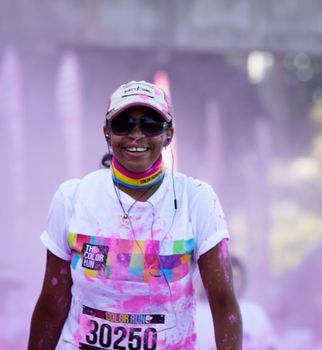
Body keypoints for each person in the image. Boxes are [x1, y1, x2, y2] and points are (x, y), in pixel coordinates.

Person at [28, 80, 242, 350]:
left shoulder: (198, 199)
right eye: (124, 123)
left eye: (150, 124)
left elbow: (224, 304)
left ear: (169, 135)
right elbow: (52, 303)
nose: (136, 134)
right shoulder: (73, 197)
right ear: (107, 132)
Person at [196, 256, 277, 349]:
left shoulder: (255, 313)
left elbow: (269, 345)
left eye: (236, 278)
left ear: (242, 281)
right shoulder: (196, 313)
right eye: (226, 276)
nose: (231, 282)